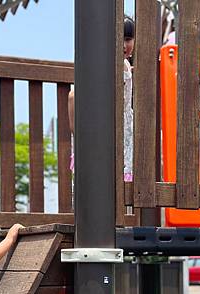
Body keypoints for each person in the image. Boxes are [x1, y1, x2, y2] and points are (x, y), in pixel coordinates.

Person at [68, 15, 136, 181]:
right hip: (101, 127)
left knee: (119, 179)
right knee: (99, 176)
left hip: (122, 128)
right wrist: (78, 131)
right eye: (118, 39)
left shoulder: (126, 65)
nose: (123, 45)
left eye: (128, 39)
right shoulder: (102, 64)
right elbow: (73, 97)